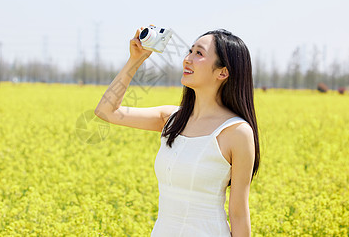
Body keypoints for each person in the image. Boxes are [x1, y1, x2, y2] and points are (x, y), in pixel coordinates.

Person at [94, 27, 260, 237]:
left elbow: (238, 215)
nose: (187, 59)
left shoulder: (237, 132)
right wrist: (136, 60)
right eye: (190, 51)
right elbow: (106, 111)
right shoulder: (171, 119)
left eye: (198, 53)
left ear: (223, 72)